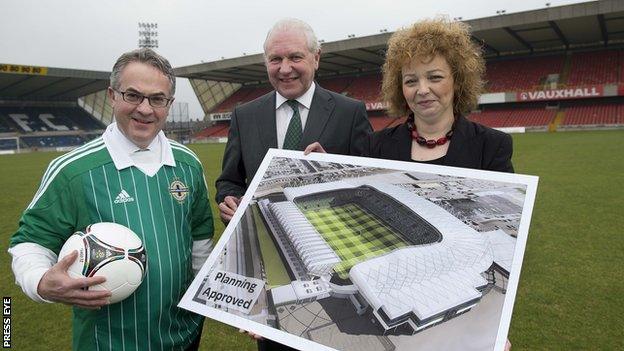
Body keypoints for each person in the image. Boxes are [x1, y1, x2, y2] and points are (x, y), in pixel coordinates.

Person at [8, 48, 214, 350]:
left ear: (168, 104)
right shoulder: (72, 171)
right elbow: (30, 242)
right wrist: (39, 281)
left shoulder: (188, 164)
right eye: (133, 95)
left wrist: (210, 297)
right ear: (112, 95)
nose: (145, 109)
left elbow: (200, 242)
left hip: (183, 335)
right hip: (107, 343)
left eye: (157, 99)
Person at [216, 18, 372, 224]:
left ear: (316, 58)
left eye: (295, 57)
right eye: (275, 59)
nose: (285, 68)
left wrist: (332, 172)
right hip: (266, 235)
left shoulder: (350, 113)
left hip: (332, 236)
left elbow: (371, 184)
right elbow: (230, 181)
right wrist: (230, 201)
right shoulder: (244, 116)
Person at [369, 17, 514, 172]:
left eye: (435, 77)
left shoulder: (492, 145)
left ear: (457, 81)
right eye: (411, 81)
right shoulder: (375, 146)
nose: (423, 90)